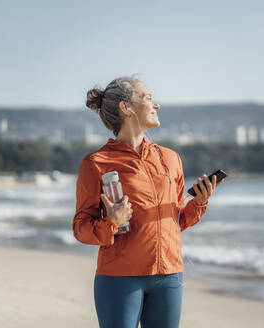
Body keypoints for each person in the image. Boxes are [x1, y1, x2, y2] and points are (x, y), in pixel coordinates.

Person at [72, 75, 223, 328]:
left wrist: (199, 203)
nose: (157, 105)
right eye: (148, 98)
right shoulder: (96, 163)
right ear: (126, 107)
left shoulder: (171, 158)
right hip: (120, 278)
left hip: (169, 277)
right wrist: (111, 223)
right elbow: (80, 228)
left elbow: (177, 222)